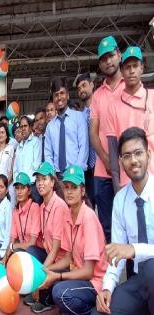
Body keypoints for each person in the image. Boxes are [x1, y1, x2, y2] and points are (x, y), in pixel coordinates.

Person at [94, 127, 154, 315]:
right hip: (139, 281)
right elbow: (117, 253)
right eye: (127, 156)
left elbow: (127, 250)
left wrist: (134, 249)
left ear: (149, 154)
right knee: (101, 312)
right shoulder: (120, 199)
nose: (133, 160)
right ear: (120, 161)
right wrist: (107, 288)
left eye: (138, 153)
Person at [39, 165, 108, 315]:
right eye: (66, 187)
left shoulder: (88, 217)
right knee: (49, 281)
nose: (69, 192)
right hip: (79, 274)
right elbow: (68, 258)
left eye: (74, 187)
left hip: (95, 282)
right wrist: (45, 270)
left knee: (59, 292)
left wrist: (58, 276)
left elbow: (89, 271)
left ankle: (90, 311)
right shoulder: (69, 214)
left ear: (82, 190)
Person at [90, 35, 124, 243]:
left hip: (128, 169)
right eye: (103, 59)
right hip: (102, 172)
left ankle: (134, 274)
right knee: (106, 226)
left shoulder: (129, 87)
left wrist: (120, 163)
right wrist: (106, 159)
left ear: (119, 55)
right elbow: (93, 133)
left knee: (129, 225)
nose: (108, 61)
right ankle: (107, 275)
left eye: (111, 56)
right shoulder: (97, 95)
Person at [107, 46, 154, 193]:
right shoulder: (113, 107)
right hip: (127, 182)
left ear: (142, 67)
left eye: (135, 66)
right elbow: (114, 152)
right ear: (121, 71)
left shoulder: (152, 97)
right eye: (127, 67)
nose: (131, 71)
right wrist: (117, 187)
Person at [26, 162, 69, 312]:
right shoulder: (43, 206)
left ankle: (46, 299)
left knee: (46, 272)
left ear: (52, 182)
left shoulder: (59, 206)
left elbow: (56, 249)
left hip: (63, 261)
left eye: (44, 179)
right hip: (51, 255)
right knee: (31, 251)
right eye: (38, 180)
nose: (40, 183)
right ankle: (38, 290)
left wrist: (42, 272)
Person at [44, 77, 89, 177]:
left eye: (62, 93)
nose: (59, 97)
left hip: (76, 174)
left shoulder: (79, 117)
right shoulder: (50, 127)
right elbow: (48, 154)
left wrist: (75, 172)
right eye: (56, 95)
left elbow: (83, 147)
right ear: (53, 99)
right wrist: (52, 175)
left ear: (67, 96)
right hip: (56, 176)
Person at [5, 172, 41, 259]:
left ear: (29, 191)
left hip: (35, 252)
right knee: (0, 267)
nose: (19, 192)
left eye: (22, 188)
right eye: (17, 188)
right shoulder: (15, 211)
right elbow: (12, 239)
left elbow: (32, 243)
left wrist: (13, 246)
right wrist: (4, 259)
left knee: (28, 251)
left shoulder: (35, 207)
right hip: (21, 250)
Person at [77, 73, 96, 208]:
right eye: (78, 88)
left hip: (101, 164)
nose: (81, 90)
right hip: (87, 168)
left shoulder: (101, 108)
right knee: (88, 204)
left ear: (92, 85)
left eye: (84, 85)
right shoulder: (80, 116)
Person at [13, 115, 42, 203]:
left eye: (25, 126)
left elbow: (36, 166)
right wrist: (18, 183)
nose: (23, 128)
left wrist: (25, 182)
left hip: (31, 185)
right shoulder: (19, 146)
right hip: (20, 187)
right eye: (21, 126)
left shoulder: (36, 142)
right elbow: (15, 169)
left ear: (30, 127)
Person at [0, 124, 15, 206]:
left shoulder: (11, 148)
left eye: (2, 132)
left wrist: (5, 186)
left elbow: (12, 170)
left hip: (8, 186)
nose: (0, 135)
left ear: (6, 135)